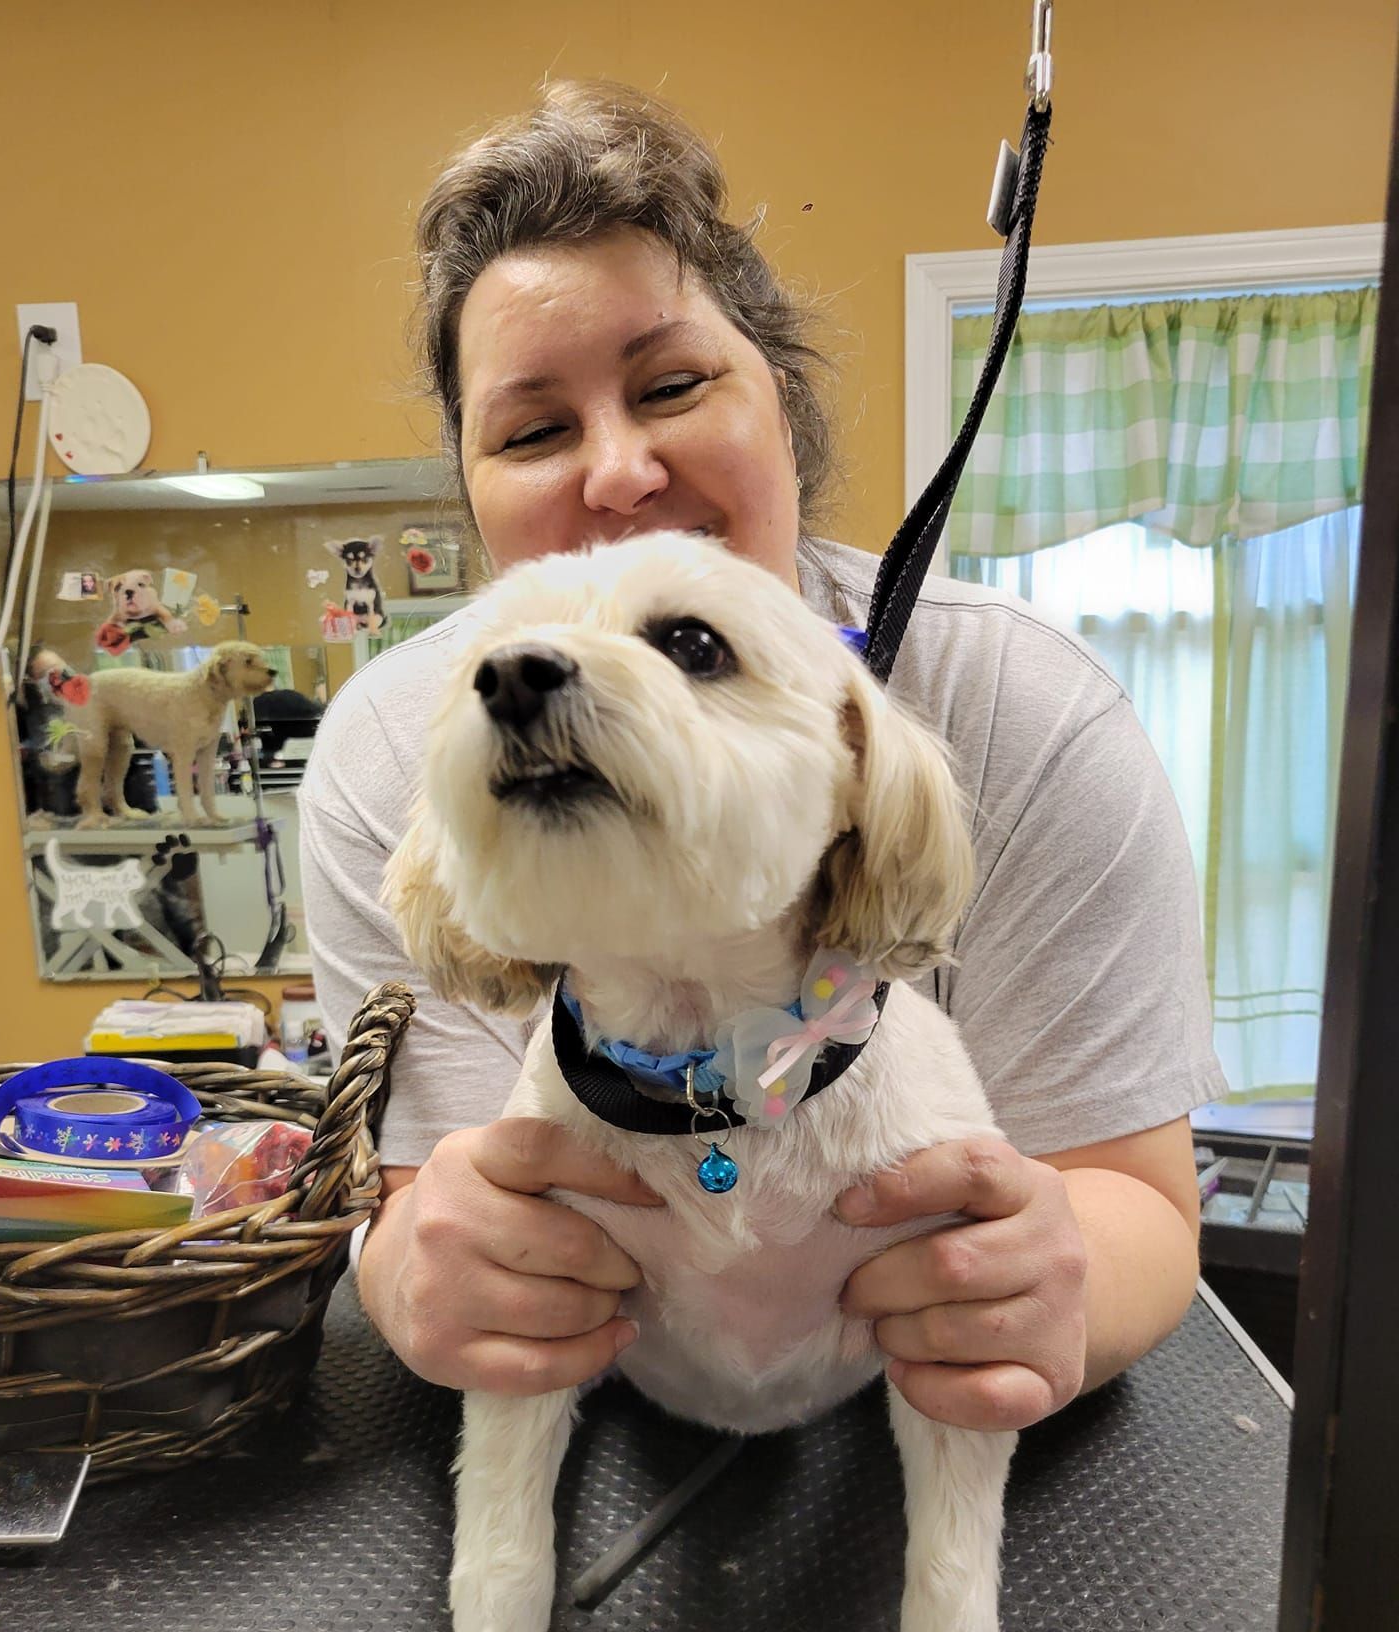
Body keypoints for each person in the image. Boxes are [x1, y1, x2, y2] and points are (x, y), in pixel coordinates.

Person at [300, 80, 1227, 1435]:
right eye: (533, 428)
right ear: (471, 489)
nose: (617, 473)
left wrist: (1048, 1289)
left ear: (783, 408)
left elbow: (1138, 1204)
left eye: (673, 385)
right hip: (599, 1408)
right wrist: (407, 1280)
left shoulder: (1024, 715)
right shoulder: (395, 755)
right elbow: (416, 1204)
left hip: (933, 1420)